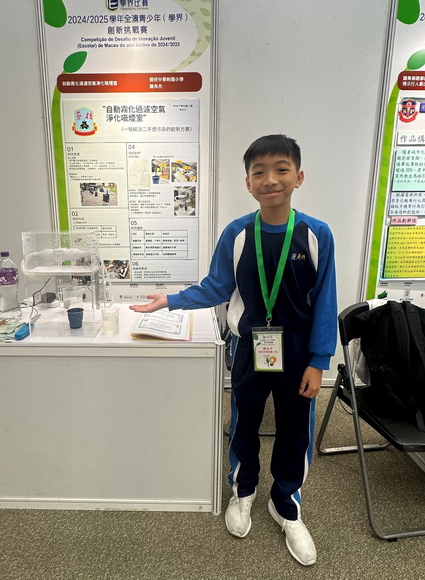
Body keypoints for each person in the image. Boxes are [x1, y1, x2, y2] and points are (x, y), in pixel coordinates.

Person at [130, 134, 337, 566]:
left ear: (298, 177)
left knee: (296, 431)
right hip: (248, 348)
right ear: (248, 183)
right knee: (244, 424)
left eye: (281, 169)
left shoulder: (317, 234)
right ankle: (243, 491)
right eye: (259, 172)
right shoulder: (237, 233)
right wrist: (169, 300)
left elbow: (325, 301)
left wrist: (319, 361)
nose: (270, 179)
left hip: (297, 353)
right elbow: (216, 287)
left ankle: (286, 503)